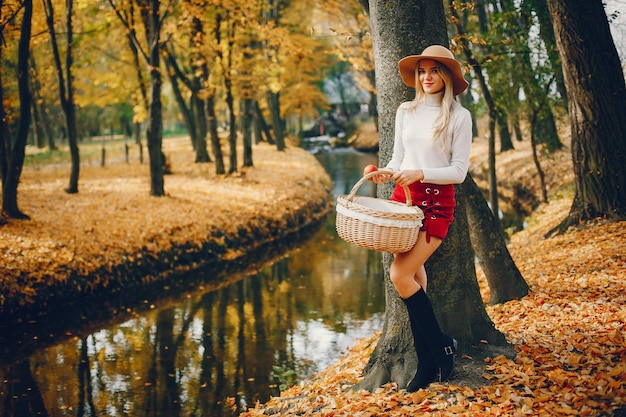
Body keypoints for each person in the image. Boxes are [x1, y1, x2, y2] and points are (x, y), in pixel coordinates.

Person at [367, 45, 472, 392]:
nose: (426, 77)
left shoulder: (459, 117)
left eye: (434, 71)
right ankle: (433, 354)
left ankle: (437, 354)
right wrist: (387, 172)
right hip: (404, 202)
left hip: (436, 204)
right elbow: (398, 157)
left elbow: (458, 172)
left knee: (399, 274)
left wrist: (420, 173)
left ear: (447, 76)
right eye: (422, 71)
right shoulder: (405, 111)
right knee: (411, 277)